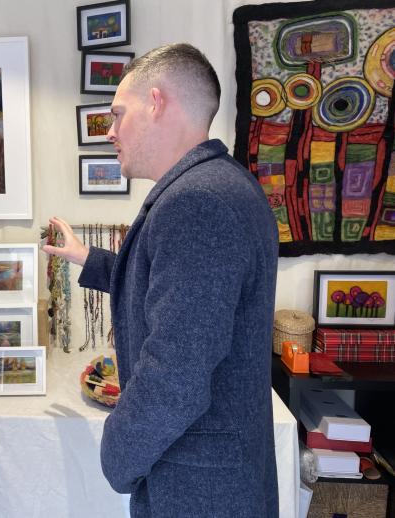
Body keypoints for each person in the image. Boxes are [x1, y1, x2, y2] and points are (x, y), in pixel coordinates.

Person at [44, 43, 279, 517]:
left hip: (198, 486)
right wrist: (86, 256)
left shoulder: (199, 203)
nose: (109, 132)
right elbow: (173, 293)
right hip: (214, 477)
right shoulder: (219, 183)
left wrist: (117, 455)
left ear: (156, 102)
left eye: (116, 115)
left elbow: (176, 372)